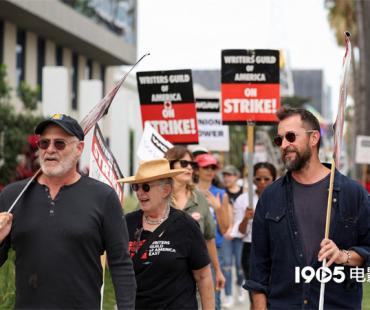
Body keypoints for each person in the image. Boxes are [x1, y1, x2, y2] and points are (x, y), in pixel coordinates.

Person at [0, 114, 136, 309]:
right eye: (44, 143)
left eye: (60, 144)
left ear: (79, 148)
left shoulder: (103, 197)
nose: (50, 150)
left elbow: (121, 264)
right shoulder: (12, 195)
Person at [244, 107, 370, 309]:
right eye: (279, 140)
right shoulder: (270, 197)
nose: (284, 145)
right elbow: (259, 268)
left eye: (291, 137)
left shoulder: (353, 194)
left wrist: (342, 256)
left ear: (314, 139)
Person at [118, 158, 215, 309]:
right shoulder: (126, 223)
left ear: (166, 190)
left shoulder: (186, 226)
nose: (140, 193)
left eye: (146, 187)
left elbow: (203, 277)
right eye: (135, 187)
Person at [165, 146, 225, 294]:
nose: (190, 168)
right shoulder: (157, 197)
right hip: (164, 278)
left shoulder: (200, 199)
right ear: (170, 165)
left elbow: (209, 238)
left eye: (192, 164)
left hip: (196, 278)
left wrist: (217, 271)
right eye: (184, 163)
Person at [233, 162, 277, 304]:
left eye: (266, 179)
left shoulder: (280, 198)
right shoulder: (243, 200)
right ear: (253, 179)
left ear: (273, 179)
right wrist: (246, 217)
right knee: (256, 294)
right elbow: (240, 232)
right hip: (250, 249)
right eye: (258, 179)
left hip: (275, 249)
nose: (262, 182)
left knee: (273, 293)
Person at [195, 153, 230, 310]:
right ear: (197, 170)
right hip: (192, 248)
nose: (209, 171)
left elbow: (224, 228)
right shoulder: (189, 192)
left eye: (213, 167)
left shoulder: (221, 194)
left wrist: (218, 208)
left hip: (215, 249)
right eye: (205, 167)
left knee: (213, 296)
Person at [220, 164, 245, 307]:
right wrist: (228, 229)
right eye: (225, 175)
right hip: (227, 234)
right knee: (227, 266)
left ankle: (240, 288)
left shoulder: (244, 192)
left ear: (236, 176)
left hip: (241, 234)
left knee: (240, 265)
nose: (226, 178)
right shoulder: (222, 193)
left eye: (229, 175)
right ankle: (229, 294)